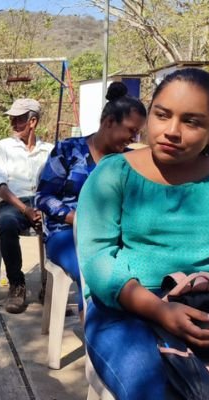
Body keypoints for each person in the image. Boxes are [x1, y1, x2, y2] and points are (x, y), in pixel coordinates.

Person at [77, 68, 209, 399]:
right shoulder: (113, 175)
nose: (171, 131)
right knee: (155, 390)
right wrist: (159, 310)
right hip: (128, 310)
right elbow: (98, 259)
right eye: (162, 115)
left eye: (192, 122)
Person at [36, 82, 146, 312]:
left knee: (140, 273)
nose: (133, 139)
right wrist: (76, 218)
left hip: (115, 235)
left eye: (137, 133)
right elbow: (43, 197)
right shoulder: (68, 150)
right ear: (108, 123)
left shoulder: (129, 161)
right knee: (95, 273)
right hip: (66, 235)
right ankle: (97, 338)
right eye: (130, 130)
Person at [0, 98, 54, 313]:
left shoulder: (50, 150)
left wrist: (44, 209)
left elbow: (56, 184)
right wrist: (24, 209)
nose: (13, 124)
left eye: (19, 119)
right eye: (12, 119)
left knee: (60, 228)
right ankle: (17, 284)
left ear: (32, 121)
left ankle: (51, 287)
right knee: (6, 224)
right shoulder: (2, 147)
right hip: (12, 201)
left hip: (43, 201)